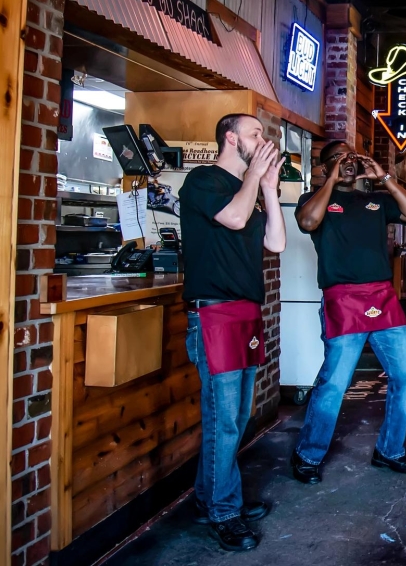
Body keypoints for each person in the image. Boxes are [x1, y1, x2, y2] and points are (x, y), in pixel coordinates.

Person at [178, 113, 286, 551]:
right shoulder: (203, 180)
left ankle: (209, 498)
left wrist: (269, 190)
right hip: (214, 313)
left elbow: (276, 242)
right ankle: (224, 511)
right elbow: (236, 220)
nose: (262, 140)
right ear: (230, 138)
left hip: (246, 314)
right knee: (224, 421)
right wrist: (254, 178)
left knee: (238, 417)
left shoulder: (252, 191)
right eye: (255, 133)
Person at [290, 141, 406, 484]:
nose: (347, 162)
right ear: (325, 167)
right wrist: (330, 181)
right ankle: (308, 454)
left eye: (351, 157)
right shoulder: (315, 199)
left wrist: (386, 178)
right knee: (335, 383)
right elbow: (307, 223)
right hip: (343, 298)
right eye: (337, 158)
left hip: (382, 296)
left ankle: (389, 451)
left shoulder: (377, 201)